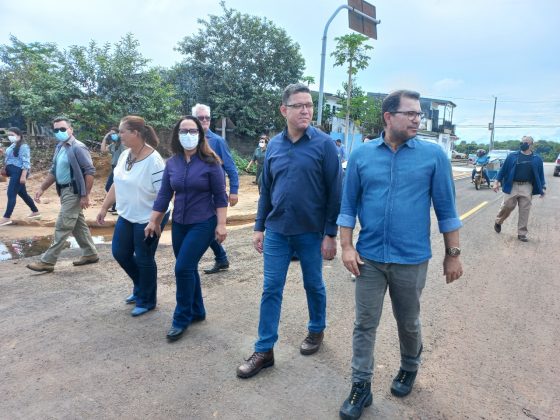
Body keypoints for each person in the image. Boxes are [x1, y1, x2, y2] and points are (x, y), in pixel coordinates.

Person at [337, 90, 463, 420]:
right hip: (369, 259)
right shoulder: (362, 155)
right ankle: (360, 385)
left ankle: (409, 366)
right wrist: (346, 246)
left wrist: (453, 254)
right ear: (388, 117)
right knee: (364, 324)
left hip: (411, 259)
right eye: (410, 113)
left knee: (408, 321)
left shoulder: (433, 156)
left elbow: (447, 210)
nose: (417, 119)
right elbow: (348, 206)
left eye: (419, 114)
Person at [236, 83, 342, 379]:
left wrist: (330, 233)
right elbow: (266, 190)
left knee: (313, 284)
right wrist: (259, 226)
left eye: (309, 105)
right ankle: (264, 350)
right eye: (299, 106)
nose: (306, 110)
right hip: (277, 231)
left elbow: (335, 192)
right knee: (271, 288)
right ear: (284, 110)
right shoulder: (274, 146)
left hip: (311, 232)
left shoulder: (324, 145)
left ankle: (316, 329)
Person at [146, 115, 228, 341]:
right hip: (179, 223)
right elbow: (164, 194)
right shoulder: (172, 163)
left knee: (182, 268)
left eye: (193, 131)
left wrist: (221, 224)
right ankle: (197, 310)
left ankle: (181, 317)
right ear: (177, 135)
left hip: (203, 222)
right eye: (184, 131)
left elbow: (220, 197)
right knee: (188, 268)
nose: (188, 135)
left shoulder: (211, 162)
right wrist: (154, 220)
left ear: (200, 135)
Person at [96, 116, 169, 317]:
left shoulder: (154, 161)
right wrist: (104, 207)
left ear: (135, 133)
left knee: (144, 258)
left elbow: (163, 194)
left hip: (149, 217)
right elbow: (117, 183)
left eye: (122, 132)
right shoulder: (124, 155)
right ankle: (140, 285)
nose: (119, 135)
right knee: (120, 252)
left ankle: (147, 300)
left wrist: (155, 221)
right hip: (127, 215)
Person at [27, 117, 98, 273]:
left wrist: (85, 195)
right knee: (78, 225)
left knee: (62, 226)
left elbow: (90, 171)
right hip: (64, 191)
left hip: (74, 192)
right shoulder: (60, 147)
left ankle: (47, 261)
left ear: (71, 130)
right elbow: (53, 171)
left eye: (62, 129)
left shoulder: (78, 147)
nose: (59, 132)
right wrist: (42, 188)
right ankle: (90, 254)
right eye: (56, 130)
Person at [191, 103, 239, 275]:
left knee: (206, 227)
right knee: (206, 228)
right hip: (195, 195)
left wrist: (234, 191)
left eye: (207, 118)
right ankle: (221, 258)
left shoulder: (217, 141)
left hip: (213, 196)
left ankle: (194, 261)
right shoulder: (189, 140)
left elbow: (231, 167)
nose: (205, 120)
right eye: (200, 118)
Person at [493, 136, 546, 242]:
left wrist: (543, 187)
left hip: (527, 186)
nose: (523, 144)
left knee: (525, 210)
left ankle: (522, 233)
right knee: (507, 206)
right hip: (512, 185)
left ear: (531, 144)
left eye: (526, 142)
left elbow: (540, 174)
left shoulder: (537, 159)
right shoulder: (512, 156)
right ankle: (498, 221)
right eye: (522, 142)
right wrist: (496, 182)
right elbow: (503, 170)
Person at [0, 127, 41, 226]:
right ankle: (35, 212)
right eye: (9, 135)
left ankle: (6, 217)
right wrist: (2, 152)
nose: (10, 137)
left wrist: (23, 176)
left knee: (11, 193)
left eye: (12, 135)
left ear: (19, 135)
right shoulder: (13, 145)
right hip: (14, 172)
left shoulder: (24, 146)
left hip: (18, 172)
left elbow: (26, 162)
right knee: (23, 193)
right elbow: (12, 157)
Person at [100, 126, 126, 213]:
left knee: (111, 186)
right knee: (111, 187)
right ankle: (116, 206)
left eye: (114, 133)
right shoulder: (113, 145)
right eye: (111, 134)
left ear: (118, 134)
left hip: (120, 168)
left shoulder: (122, 145)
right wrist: (105, 138)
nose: (112, 135)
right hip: (114, 167)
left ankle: (118, 207)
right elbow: (103, 150)